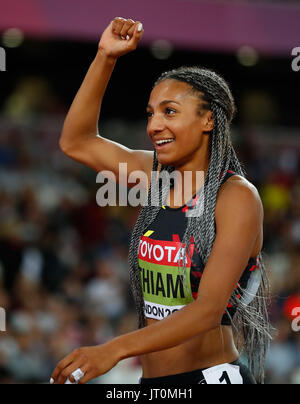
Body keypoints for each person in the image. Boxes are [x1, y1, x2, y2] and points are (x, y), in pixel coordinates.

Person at [50, 17, 272, 385]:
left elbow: (206, 312)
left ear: (208, 121)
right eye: (151, 114)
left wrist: (113, 349)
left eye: (170, 112)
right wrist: (105, 57)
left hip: (209, 377)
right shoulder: (155, 177)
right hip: (153, 383)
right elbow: (76, 141)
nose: (154, 125)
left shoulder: (236, 197)